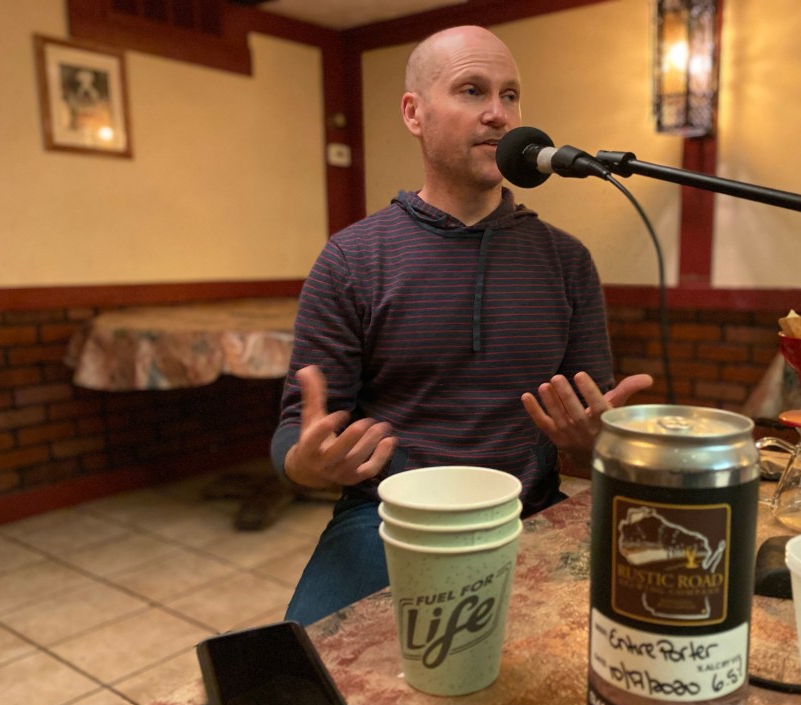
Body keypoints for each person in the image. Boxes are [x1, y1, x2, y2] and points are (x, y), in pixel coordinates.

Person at [272, 25, 652, 626]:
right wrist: (308, 463)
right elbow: (298, 432)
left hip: (530, 511)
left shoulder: (566, 259)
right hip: (387, 519)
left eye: (510, 95)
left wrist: (595, 440)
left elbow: (591, 422)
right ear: (414, 113)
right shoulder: (351, 258)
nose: (499, 113)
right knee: (305, 671)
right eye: (472, 91)